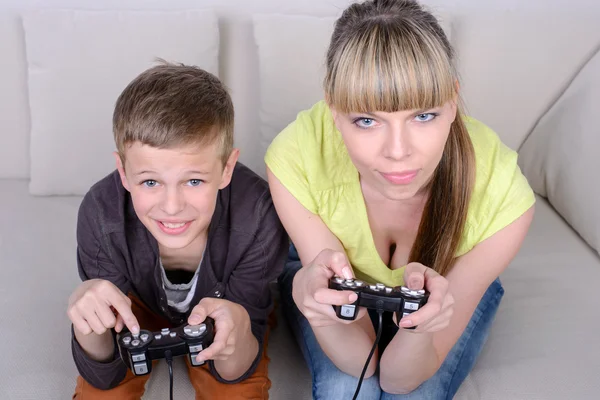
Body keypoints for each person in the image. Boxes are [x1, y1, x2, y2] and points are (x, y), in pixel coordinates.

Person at [264, 0, 536, 398]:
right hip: (327, 284)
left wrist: (421, 328)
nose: (397, 151)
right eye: (367, 120)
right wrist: (320, 314)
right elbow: (358, 364)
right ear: (334, 109)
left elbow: (400, 379)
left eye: (423, 116)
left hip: (454, 284)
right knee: (346, 389)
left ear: (453, 101)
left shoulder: (503, 195)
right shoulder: (296, 157)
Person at [67, 61, 288, 399]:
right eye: (150, 181)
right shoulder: (100, 215)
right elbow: (104, 375)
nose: (172, 206)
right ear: (124, 173)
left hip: (227, 303)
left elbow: (234, 373)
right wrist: (87, 326)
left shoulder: (259, 216)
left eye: (194, 180)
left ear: (226, 168)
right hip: (135, 304)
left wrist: (236, 329)